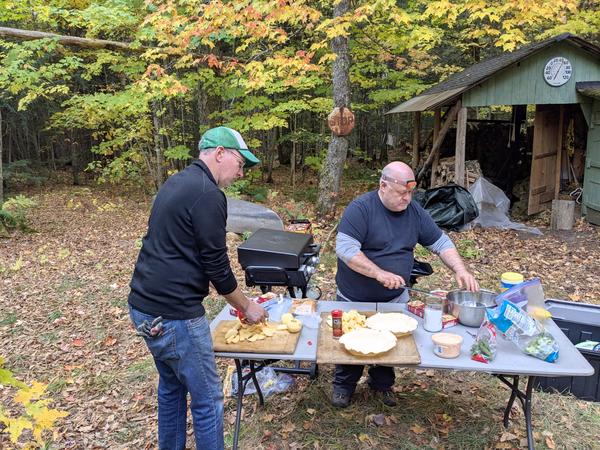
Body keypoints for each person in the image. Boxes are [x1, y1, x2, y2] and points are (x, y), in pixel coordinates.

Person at [128, 126, 268, 450]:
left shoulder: (177, 182)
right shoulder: (208, 194)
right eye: (240, 163)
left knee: (172, 388)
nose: (241, 172)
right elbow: (217, 268)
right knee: (207, 400)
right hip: (175, 315)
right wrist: (247, 306)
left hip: (143, 307)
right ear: (220, 154)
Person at [332, 161, 479, 408]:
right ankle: (343, 386)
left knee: (390, 341)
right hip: (354, 297)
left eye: (411, 192)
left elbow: (441, 242)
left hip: (393, 298)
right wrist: (378, 273)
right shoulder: (361, 209)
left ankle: (381, 384)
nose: (408, 199)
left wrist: (460, 269)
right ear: (383, 185)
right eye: (402, 193)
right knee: (351, 342)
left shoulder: (415, 212)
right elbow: (345, 250)